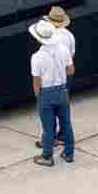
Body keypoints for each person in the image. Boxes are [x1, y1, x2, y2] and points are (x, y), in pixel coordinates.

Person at [29, 19, 75, 167]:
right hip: (62, 90)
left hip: (46, 93)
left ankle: (47, 156)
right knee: (66, 124)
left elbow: (36, 81)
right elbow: (71, 70)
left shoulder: (36, 57)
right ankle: (69, 153)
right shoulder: (63, 49)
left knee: (49, 127)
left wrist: (38, 95)